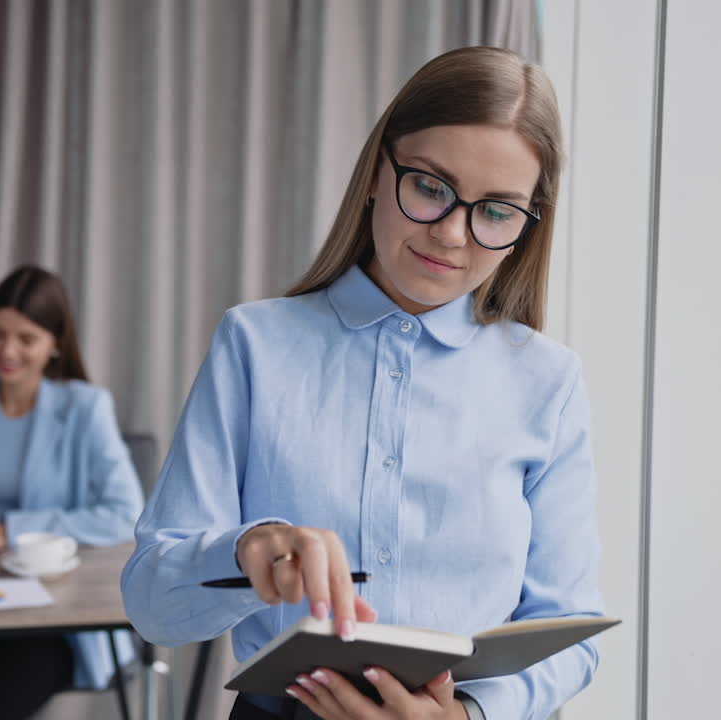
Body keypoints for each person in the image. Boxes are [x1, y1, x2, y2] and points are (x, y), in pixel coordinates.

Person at [122, 46, 604, 720]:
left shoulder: (548, 380)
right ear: (379, 171)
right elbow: (151, 605)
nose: (453, 235)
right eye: (431, 187)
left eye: (496, 211)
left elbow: (570, 629)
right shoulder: (253, 346)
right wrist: (247, 553)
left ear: (527, 227)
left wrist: (468, 716)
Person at [0, 265, 144, 720]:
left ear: (55, 343)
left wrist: (10, 531)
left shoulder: (85, 408)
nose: (7, 350)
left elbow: (124, 513)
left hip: (49, 616)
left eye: (26, 338)